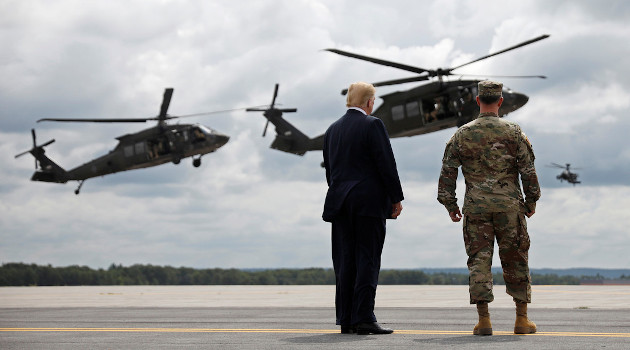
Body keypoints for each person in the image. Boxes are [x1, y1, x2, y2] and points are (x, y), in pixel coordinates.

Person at [437, 80, 541, 336]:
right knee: (516, 260)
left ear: (477, 101)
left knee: (479, 262)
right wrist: (531, 201)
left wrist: (450, 204)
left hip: (476, 208)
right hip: (509, 208)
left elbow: (447, 174)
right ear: (501, 101)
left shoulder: (462, 134)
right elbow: (528, 171)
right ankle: (521, 320)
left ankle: (484, 321)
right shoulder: (514, 132)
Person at [322, 82, 404, 335]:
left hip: (340, 202)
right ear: (369, 102)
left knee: (345, 261)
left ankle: (346, 319)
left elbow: (331, 171)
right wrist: (395, 197)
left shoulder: (332, 129)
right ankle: (364, 317)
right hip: (368, 202)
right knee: (367, 258)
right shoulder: (373, 124)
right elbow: (386, 163)